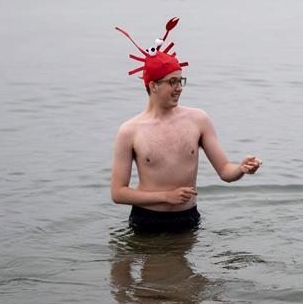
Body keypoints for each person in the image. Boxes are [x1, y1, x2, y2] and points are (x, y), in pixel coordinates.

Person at [110, 17, 261, 232]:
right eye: (172, 82)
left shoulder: (198, 120)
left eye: (181, 81)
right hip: (147, 220)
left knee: (185, 267)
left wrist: (242, 168)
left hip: (188, 218)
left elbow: (225, 171)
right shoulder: (130, 131)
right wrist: (166, 197)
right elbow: (118, 193)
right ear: (153, 86)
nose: (179, 88)